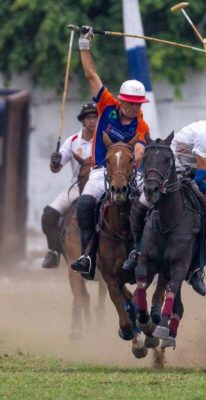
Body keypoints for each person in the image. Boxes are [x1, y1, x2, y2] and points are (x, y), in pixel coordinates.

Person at [122, 105, 206, 296]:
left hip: (201, 168)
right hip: (171, 167)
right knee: (141, 205)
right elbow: (203, 179)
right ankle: (137, 250)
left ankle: (196, 269)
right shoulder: (205, 135)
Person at [70, 26, 150, 278]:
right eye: (130, 103)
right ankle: (88, 257)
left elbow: (139, 150)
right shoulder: (106, 105)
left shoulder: (142, 124)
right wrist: (84, 45)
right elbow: (90, 74)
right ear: (121, 99)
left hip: (129, 173)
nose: (133, 107)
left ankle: (143, 253)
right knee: (84, 205)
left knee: (147, 206)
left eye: (138, 104)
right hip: (100, 171)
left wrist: (128, 165)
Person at [40, 102, 97, 268]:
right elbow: (55, 169)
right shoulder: (73, 141)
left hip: (100, 188)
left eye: (95, 117)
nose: (92, 121)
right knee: (48, 215)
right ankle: (54, 252)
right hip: (77, 188)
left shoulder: (104, 140)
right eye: (88, 118)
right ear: (82, 121)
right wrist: (54, 161)